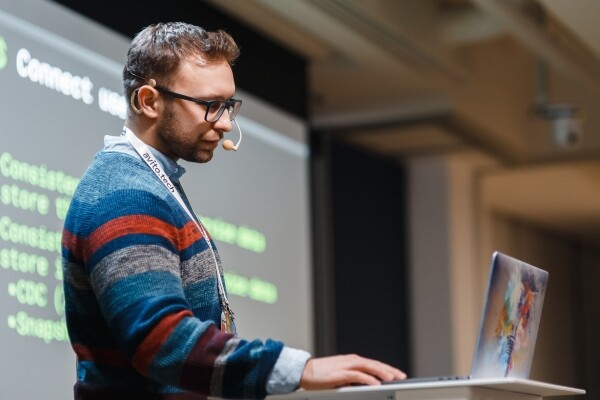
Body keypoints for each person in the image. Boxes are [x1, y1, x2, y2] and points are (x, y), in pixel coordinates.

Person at [61, 22, 406, 400]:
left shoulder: (147, 183)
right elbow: (160, 339)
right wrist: (300, 370)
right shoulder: (125, 193)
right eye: (210, 106)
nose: (225, 123)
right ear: (148, 101)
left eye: (227, 106)